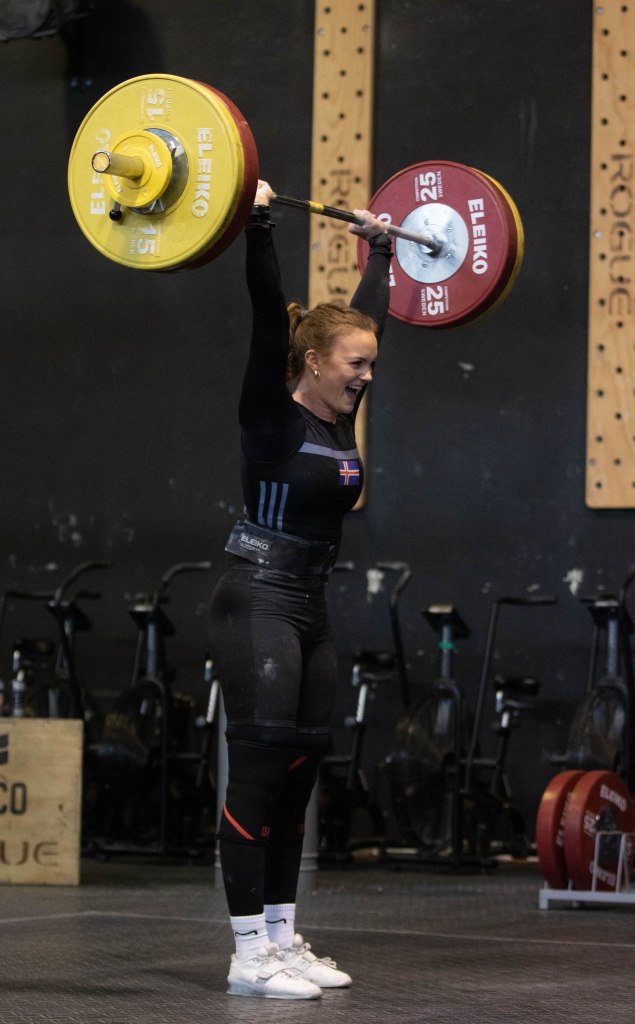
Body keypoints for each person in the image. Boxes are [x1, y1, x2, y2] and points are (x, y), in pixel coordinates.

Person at [207, 179, 391, 999]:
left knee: (300, 770)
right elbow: (264, 317)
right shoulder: (271, 417)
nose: (367, 376)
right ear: (313, 363)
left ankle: (282, 936)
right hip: (257, 600)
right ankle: (248, 953)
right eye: (356, 365)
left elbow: (362, 320)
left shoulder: (337, 414)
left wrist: (380, 251)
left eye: (371, 363)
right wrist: (258, 224)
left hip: (309, 605)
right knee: (257, 773)